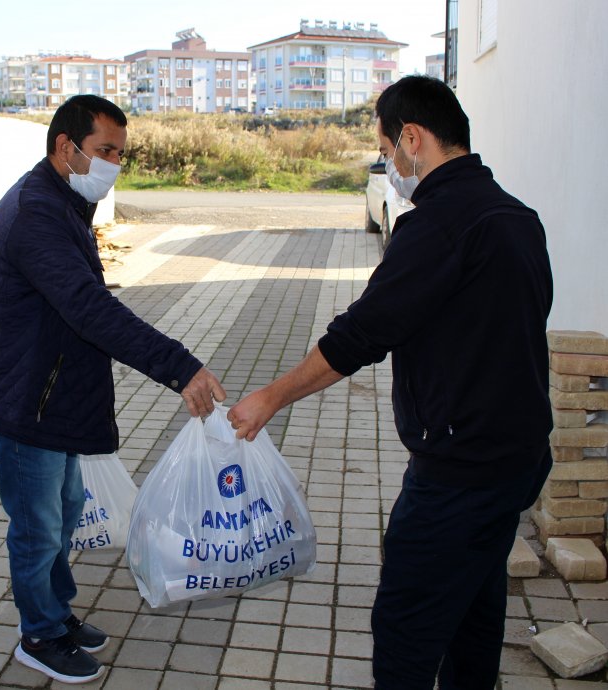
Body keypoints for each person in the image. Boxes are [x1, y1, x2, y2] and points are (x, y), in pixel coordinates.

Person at [227, 76, 553, 690]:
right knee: (474, 615)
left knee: (406, 629)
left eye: (388, 148)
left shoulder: (436, 226)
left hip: (457, 475)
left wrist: (270, 397)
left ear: (413, 138)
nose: (390, 164)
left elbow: (361, 335)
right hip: (517, 460)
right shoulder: (518, 218)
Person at [0, 95, 226, 684]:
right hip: (21, 405)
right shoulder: (37, 213)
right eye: (105, 150)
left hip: (47, 400)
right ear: (66, 149)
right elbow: (88, 308)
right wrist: (179, 367)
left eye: (120, 154)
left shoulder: (62, 203)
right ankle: (39, 634)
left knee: (65, 510)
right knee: (37, 529)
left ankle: (56, 613)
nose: (113, 163)